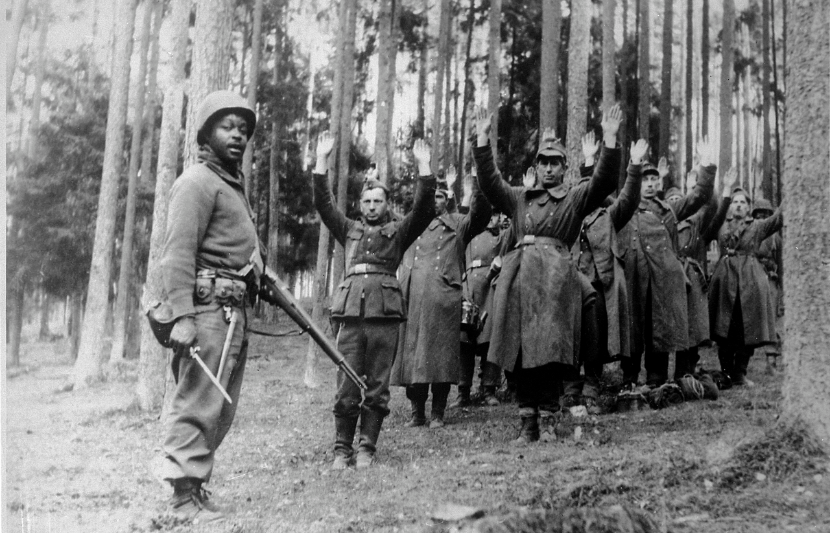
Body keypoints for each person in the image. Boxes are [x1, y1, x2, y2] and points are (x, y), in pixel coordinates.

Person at [472, 104, 623, 443]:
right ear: (536, 166)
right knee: (522, 353)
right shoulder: (520, 197)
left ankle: (550, 419)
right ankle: (528, 425)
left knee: (553, 353)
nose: (550, 169)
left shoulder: (574, 197)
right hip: (522, 280)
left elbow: (603, 182)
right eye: (544, 162)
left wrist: (610, 141)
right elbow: (491, 183)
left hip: (556, 282)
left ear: (564, 167)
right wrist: (482, 139)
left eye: (556, 163)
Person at [157, 90, 263, 522]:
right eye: (227, 126)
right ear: (206, 133)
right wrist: (183, 316)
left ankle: (194, 488)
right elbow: (177, 254)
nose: (237, 135)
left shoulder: (230, 187)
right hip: (206, 312)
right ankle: (181, 501)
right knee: (197, 402)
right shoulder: (197, 182)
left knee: (219, 406)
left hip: (232, 312)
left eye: (243, 129)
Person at [312, 133, 436, 468]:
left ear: (386, 204)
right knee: (346, 385)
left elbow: (424, 208)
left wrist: (425, 167)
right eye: (366, 202)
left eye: (377, 202)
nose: (371, 207)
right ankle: (341, 448)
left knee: (378, 386)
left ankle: (366, 447)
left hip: (384, 317)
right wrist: (322, 160)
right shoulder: (348, 229)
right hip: (351, 316)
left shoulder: (398, 231)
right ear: (359, 205)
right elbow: (324, 204)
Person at [391, 163, 491, 428]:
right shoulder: (410, 226)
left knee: (442, 359)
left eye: (440, 196)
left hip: (443, 301)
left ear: (447, 200)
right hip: (413, 300)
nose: (435, 200)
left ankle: (438, 412)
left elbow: (479, 217)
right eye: (431, 195)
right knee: (413, 360)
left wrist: (478, 185)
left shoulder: (457, 224)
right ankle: (417, 413)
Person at [618, 138, 716, 394]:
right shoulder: (626, 208)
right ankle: (628, 378)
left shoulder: (669, 209)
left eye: (653, 180)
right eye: (644, 179)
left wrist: (705, 165)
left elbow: (699, 196)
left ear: (659, 183)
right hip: (634, 274)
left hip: (662, 277)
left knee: (658, 327)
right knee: (634, 327)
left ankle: (656, 379)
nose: (649, 184)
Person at [568, 134, 650, 413]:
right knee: (569, 335)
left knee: (594, 338)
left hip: (598, 286)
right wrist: (588, 161)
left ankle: (591, 387)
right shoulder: (568, 216)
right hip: (568, 286)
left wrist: (635, 166)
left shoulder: (608, 217)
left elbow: (627, 198)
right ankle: (569, 389)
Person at [708, 189, 783, 386]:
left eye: (742, 202)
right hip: (725, 280)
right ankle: (726, 373)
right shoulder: (721, 225)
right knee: (724, 328)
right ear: (730, 206)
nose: (739, 205)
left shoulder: (757, 226)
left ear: (749, 207)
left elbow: (778, 219)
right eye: (735, 202)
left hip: (750, 281)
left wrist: (791, 192)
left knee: (746, 327)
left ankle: (740, 372)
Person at [669, 167, 737, 378]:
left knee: (693, 328)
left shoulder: (696, 224)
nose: (673, 201)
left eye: (677, 198)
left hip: (692, 279)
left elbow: (711, 209)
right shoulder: (663, 224)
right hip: (670, 278)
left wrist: (722, 190)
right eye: (669, 199)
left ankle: (686, 371)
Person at [751, 199, 784, 372]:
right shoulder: (750, 234)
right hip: (753, 278)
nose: (761, 218)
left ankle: (771, 361)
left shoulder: (775, 238)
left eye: (765, 215)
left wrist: (781, 286)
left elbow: (780, 262)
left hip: (770, 279)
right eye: (758, 215)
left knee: (770, 320)